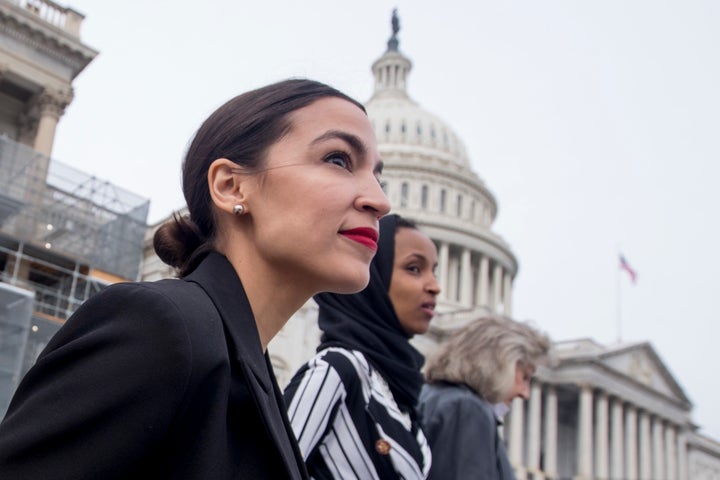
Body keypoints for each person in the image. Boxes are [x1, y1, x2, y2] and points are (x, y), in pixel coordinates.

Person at [0, 78, 391, 479]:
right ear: (231, 186)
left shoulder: (245, 366)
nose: (380, 200)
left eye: (379, 177)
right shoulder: (159, 326)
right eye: (339, 160)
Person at [284, 214, 439, 479]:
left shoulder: (402, 397)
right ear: (374, 278)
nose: (434, 287)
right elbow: (268, 466)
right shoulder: (336, 370)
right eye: (414, 268)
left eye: (434, 271)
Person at [418, 316, 551, 480]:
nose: (525, 393)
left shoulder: (436, 397)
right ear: (500, 364)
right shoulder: (466, 409)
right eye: (525, 377)